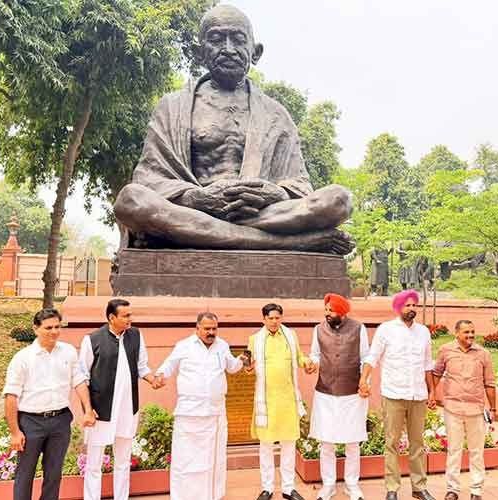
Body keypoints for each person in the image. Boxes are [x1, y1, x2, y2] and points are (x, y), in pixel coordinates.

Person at [113, 5, 353, 255]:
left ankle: (194, 234)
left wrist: (275, 193)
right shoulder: (171, 107)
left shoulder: (276, 115)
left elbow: (299, 186)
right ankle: (287, 244)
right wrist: (198, 199)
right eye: (216, 39)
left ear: (255, 52)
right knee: (131, 200)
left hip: (262, 213)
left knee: (339, 200)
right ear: (199, 52)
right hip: (194, 208)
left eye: (238, 39)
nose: (228, 49)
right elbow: (150, 179)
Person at [2, 308, 95, 500]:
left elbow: (78, 381)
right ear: (35, 329)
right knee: (24, 474)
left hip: (60, 421)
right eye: (48, 328)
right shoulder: (22, 358)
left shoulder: (68, 352)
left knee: (54, 474)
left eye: (57, 327)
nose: (54, 331)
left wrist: (88, 410)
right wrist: (15, 432)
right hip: (31, 423)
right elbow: (11, 396)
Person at [155, 312, 249, 500]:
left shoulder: (222, 346)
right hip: (189, 414)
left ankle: (212, 496)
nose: (211, 332)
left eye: (214, 329)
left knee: (213, 459)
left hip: (215, 413)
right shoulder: (184, 346)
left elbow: (231, 367)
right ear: (197, 328)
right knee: (186, 458)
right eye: (207, 329)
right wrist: (159, 376)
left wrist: (241, 361)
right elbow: (168, 366)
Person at [79, 299, 160, 500]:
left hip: (127, 409)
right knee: (94, 463)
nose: (130, 319)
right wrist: (87, 409)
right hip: (100, 411)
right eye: (125, 316)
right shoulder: (92, 340)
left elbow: (142, 366)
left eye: (130, 315)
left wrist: (153, 380)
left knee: (123, 461)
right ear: (111, 317)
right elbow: (82, 377)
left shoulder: (136, 335)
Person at [359, 289, 437, 500]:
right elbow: (373, 357)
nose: (411, 308)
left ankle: (419, 487)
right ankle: (392, 488)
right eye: (407, 305)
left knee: (417, 443)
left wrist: (432, 391)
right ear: (398, 307)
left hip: (418, 395)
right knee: (391, 443)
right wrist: (363, 380)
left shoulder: (423, 332)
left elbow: (427, 364)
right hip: (393, 394)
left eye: (414, 305)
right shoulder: (386, 330)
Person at [248, 303, 314, 500]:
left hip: (287, 400)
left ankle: (288, 488)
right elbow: (249, 366)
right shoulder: (255, 339)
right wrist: (247, 367)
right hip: (266, 401)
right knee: (266, 446)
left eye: (277, 318)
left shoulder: (290, 336)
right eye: (270, 318)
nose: (274, 321)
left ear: (281, 318)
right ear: (264, 319)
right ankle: (267, 488)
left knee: (289, 445)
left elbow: (300, 358)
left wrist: (307, 363)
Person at [308, 293, 369, 500]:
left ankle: (352, 485)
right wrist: (312, 363)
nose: (327, 314)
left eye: (331, 310)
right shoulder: (318, 329)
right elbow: (315, 354)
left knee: (352, 442)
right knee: (326, 442)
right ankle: (328, 485)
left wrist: (365, 382)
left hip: (352, 393)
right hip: (325, 392)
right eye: (326, 310)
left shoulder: (359, 328)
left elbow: (365, 358)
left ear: (341, 312)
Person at [432, 320, 496, 500]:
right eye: (466, 332)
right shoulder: (446, 350)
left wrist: (493, 408)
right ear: (457, 333)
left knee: (477, 452)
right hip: (453, 408)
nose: (470, 335)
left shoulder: (483, 354)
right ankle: (452, 489)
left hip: (476, 409)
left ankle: (476, 491)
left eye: (472, 332)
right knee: (454, 450)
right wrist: (431, 395)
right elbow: (436, 374)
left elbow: (489, 382)